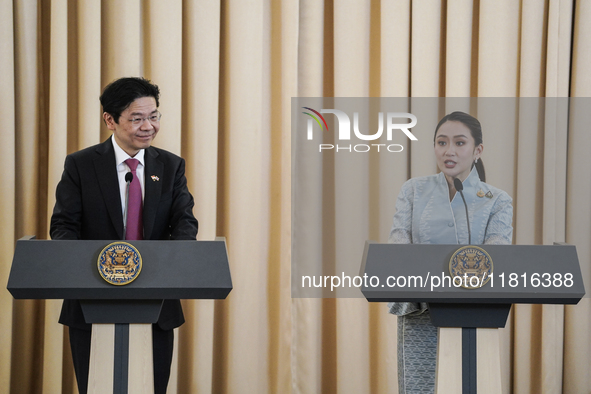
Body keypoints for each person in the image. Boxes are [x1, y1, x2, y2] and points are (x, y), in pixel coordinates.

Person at [50, 77, 198, 394]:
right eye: (137, 118)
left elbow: (184, 221)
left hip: (156, 300)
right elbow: (63, 226)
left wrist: (177, 261)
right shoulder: (81, 165)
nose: (149, 126)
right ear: (110, 120)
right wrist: (82, 269)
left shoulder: (171, 166)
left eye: (154, 116)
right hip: (91, 301)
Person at [387, 111, 513, 393]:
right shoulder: (413, 190)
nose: (449, 151)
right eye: (441, 142)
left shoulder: (498, 201)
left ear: (477, 150)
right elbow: (398, 247)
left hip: (475, 315)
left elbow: (497, 258)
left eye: (459, 143)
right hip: (420, 314)